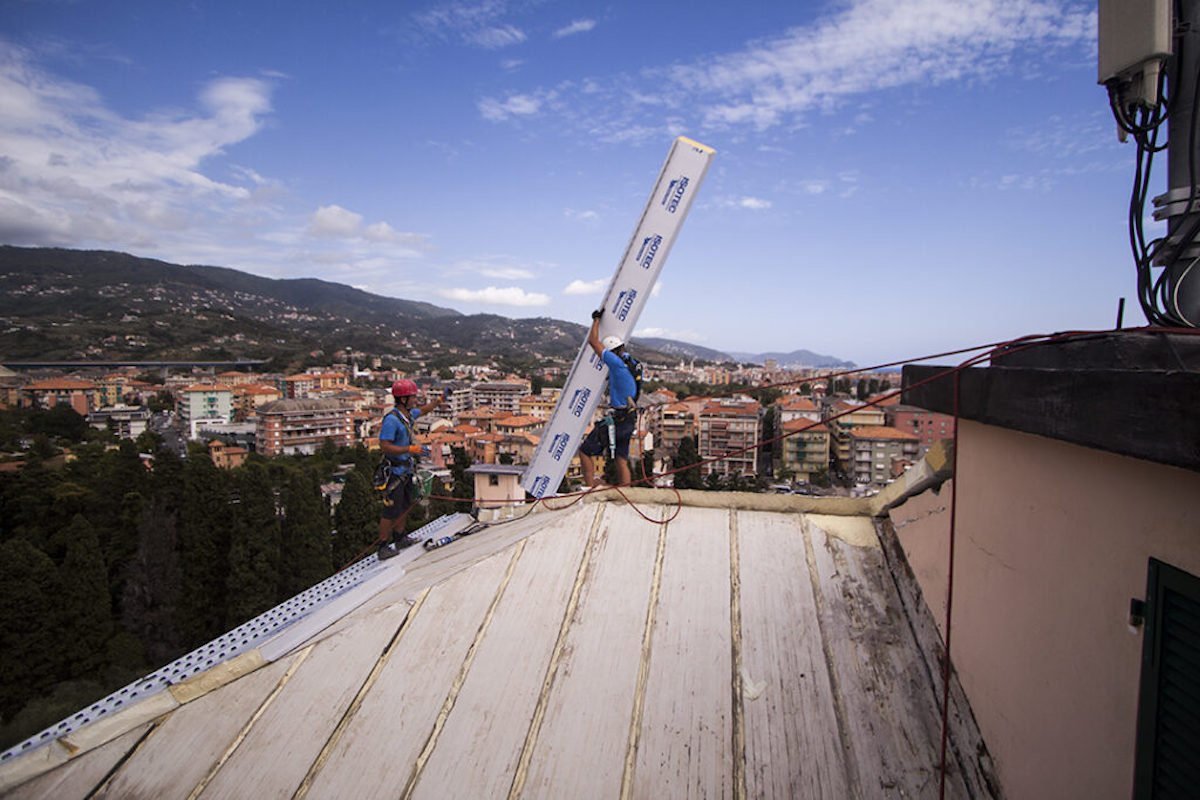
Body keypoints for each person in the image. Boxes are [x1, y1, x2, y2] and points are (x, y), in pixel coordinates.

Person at [377, 379, 441, 556]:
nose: (415, 399)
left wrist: (439, 401)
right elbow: (385, 446)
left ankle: (400, 538)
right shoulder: (392, 420)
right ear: (403, 398)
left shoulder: (408, 415)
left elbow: (423, 410)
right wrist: (410, 449)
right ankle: (382, 546)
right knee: (390, 510)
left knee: (404, 505)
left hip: (405, 469)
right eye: (413, 396)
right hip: (394, 471)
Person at [578, 308, 639, 488]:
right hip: (629, 419)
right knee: (621, 459)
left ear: (612, 352)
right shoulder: (632, 364)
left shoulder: (616, 362)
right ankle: (625, 492)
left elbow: (593, 342)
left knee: (585, 451)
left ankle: (589, 488)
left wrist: (596, 320)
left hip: (618, 420)